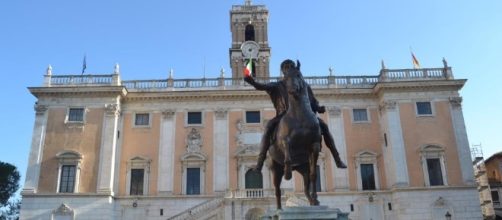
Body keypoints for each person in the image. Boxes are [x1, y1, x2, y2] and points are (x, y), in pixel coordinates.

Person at [244, 59, 347, 171]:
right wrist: (252, 82)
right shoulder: (277, 85)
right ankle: (260, 161)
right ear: (283, 71)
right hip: (283, 116)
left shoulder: (304, 85)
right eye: (286, 67)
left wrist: (318, 108)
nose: (289, 68)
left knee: (324, 127)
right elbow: (261, 86)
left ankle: (337, 158)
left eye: (291, 66)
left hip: (303, 116)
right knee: (269, 126)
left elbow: (311, 100)